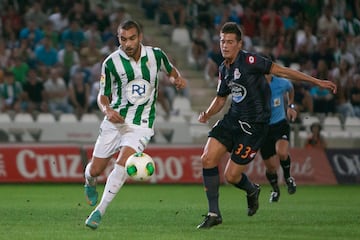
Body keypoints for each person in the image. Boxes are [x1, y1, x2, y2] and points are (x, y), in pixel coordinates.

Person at [196, 22, 337, 229]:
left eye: (229, 42)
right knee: (207, 158)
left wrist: (317, 82)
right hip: (233, 119)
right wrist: (207, 113)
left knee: (231, 176)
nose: (224, 45)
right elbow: (220, 99)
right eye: (222, 41)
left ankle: (252, 190)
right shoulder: (223, 68)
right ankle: (214, 213)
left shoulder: (251, 61)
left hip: (255, 127)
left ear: (239, 44)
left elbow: (283, 72)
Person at [84, 20, 186, 230]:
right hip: (115, 121)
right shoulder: (111, 63)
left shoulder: (156, 55)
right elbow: (103, 96)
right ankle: (89, 181)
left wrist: (177, 79)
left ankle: (99, 211)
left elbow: (171, 69)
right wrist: (108, 110)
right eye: (123, 39)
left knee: (123, 162)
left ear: (140, 37)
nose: (128, 44)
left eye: (132, 38)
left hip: (141, 123)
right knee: (95, 170)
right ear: (118, 38)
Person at [260, 73, 297, 203]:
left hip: (279, 124)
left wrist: (290, 106)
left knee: (281, 152)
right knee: (270, 167)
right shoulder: (255, 83)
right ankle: (275, 190)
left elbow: (290, 88)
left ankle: (288, 178)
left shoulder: (281, 82)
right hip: (263, 129)